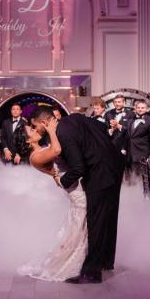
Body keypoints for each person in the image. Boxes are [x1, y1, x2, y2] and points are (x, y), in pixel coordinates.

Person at [31, 107, 126, 284]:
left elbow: (78, 168)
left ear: (45, 122)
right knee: (109, 216)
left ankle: (91, 273)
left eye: (36, 126)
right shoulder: (73, 118)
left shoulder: (63, 135)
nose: (36, 130)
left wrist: (62, 182)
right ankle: (105, 261)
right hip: (114, 164)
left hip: (100, 172)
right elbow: (101, 128)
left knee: (96, 220)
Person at [18, 118, 87, 281]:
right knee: (81, 215)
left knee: (79, 219)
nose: (36, 130)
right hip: (72, 186)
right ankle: (72, 259)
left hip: (72, 181)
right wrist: (50, 130)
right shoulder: (35, 157)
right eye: (32, 131)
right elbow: (56, 150)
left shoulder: (41, 149)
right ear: (28, 140)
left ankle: (82, 255)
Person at [126, 100, 150, 176]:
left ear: (146, 109)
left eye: (142, 108)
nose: (140, 109)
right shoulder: (130, 121)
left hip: (142, 154)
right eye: (138, 108)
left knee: (142, 177)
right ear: (135, 109)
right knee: (130, 178)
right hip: (130, 154)